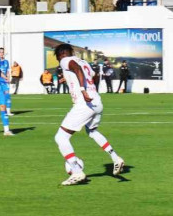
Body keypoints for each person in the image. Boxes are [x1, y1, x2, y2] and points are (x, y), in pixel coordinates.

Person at [53, 44, 125, 186]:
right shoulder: (84, 62)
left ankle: (76, 171)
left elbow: (76, 69)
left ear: (61, 54)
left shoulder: (65, 60)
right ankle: (116, 158)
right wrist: (87, 89)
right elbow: (94, 76)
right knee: (91, 131)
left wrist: (83, 90)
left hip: (84, 104)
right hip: (96, 102)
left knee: (61, 137)